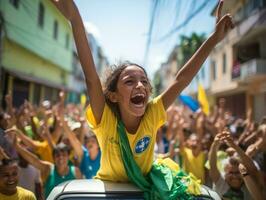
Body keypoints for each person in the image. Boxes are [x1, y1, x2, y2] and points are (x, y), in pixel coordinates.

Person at [51, 0, 234, 196]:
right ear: (113, 96)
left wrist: (214, 38)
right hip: (110, 193)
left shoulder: (152, 113)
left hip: (144, 192)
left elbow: (182, 80)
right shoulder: (105, 119)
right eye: (130, 81)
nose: (140, 85)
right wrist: (75, 19)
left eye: (144, 82)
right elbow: (92, 78)